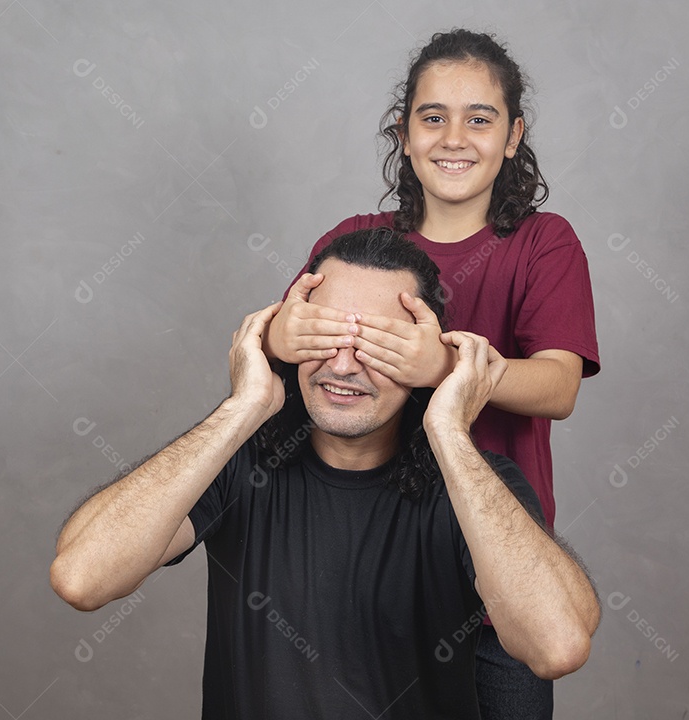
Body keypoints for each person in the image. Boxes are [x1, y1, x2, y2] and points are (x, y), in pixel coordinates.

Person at [51, 229, 600, 719]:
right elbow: (82, 578)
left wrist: (451, 430)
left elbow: (558, 646)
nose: (342, 364)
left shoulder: (473, 488)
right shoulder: (238, 464)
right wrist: (243, 407)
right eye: (324, 336)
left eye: (377, 345)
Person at [265, 29, 600, 718]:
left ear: (512, 136)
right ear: (405, 134)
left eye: (480, 118)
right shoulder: (353, 242)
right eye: (432, 117)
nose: (455, 137)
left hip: (494, 584)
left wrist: (442, 365)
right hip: (368, 577)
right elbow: (277, 352)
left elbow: (558, 386)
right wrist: (281, 333)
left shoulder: (545, 243)